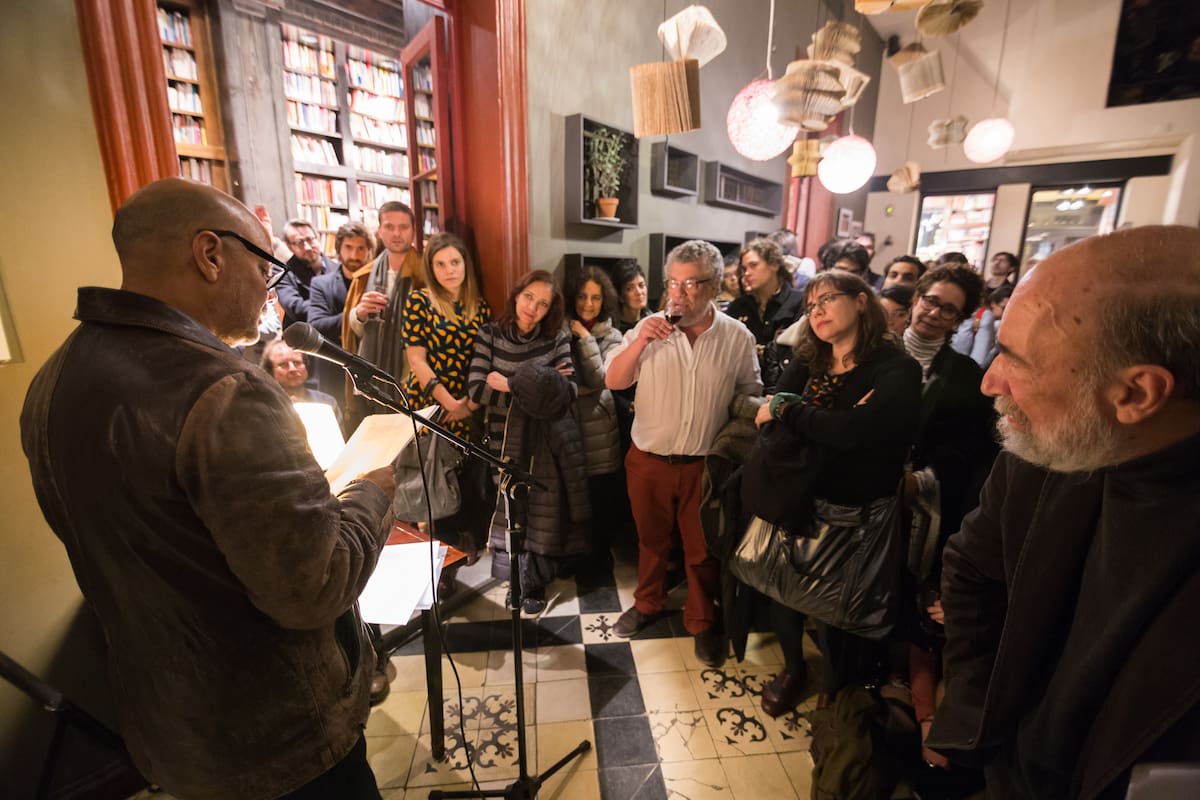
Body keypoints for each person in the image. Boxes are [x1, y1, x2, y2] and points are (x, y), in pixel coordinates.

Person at [20, 178, 395, 800]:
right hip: (279, 734)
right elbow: (315, 585)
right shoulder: (226, 391)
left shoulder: (53, 379)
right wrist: (370, 493)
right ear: (210, 254)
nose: (271, 289)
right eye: (265, 267)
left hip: (171, 724)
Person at [927, 225, 1200, 798]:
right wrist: (975, 708)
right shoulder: (1049, 442)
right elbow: (971, 569)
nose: (990, 382)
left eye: (1015, 360)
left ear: (1137, 394)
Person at [747, 271, 922, 716]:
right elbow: (770, 416)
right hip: (797, 495)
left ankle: (834, 684)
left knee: (836, 609)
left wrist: (791, 411)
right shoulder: (811, 359)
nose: (817, 311)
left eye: (826, 299)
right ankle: (793, 669)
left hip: (857, 508)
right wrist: (807, 415)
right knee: (782, 590)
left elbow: (854, 432)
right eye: (810, 306)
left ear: (862, 301)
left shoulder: (896, 368)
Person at [605, 240, 762, 667]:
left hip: (704, 466)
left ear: (714, 286)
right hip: (648, 460)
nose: (679, 294)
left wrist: (763, 411)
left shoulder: (736, 337)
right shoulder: (649, 327)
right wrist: (640, 342)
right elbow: (615, 381)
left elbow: (749, 392)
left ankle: (702, 620)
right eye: (673, 283)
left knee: (702, 549)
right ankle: (647, 603)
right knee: (651, 541)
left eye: (691, 284)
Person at [467, 270, 590, 614]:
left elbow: (567, 392)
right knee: (509, 509)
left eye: (543, 304)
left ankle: (533, 580)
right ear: (517, 294)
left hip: (541, 441)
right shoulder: (490, 334)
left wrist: (509, 383)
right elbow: (476, 389)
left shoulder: (556, 338)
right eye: (528, 297)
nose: (533, 308)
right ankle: (514, 580)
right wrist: (540, 386)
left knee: (539, 511)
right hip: (500, 437)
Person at [401, 232, 492, 557]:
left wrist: (470, 404)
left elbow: (487, 360)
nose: (449, 270)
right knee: (437, 478)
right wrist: (449, 402)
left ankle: (468, 546)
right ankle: (444, 559)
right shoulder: (419, 301)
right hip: (431, 403)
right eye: (440, 264)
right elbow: (416, 360)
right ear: (431, 268)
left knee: (468, 478)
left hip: (469, 402)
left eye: (454, 262)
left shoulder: (480, 307)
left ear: (465, 264)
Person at [565, 265, 626, 568]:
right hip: (568, 427)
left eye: (596, 297)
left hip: (600, 427)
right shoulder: (559, 330)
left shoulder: (612, 335)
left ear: (605, 301)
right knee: (573, 497)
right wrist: (578, 388)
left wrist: (586, 338)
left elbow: (600, 378)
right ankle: (577, 556)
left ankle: (600, 560)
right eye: (582, 296)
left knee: (600, 498)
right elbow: (557, 381)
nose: (588, 304)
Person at [343, 201, 424, 417]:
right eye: (389, 226)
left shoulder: (425, 273)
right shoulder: (364, 275)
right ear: (379, 230)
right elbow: (353, 333)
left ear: (413, 231)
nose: (397, 233)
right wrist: (360, 313)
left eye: (403, 227)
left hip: (411, 377)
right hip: (370, 374)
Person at [307, 221, 374, 402]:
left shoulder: (375, 283)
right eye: (348, 247)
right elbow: (317, 325)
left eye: (361, 248)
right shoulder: (321, 284)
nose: (354, 255)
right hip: (334, 369)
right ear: (338, 249)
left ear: (369, 251)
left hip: (371, 365)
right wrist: (356, 315)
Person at [726, 237, 808, 358]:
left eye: (753, 265)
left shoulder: (798, 302)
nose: (747, 273)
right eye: (744, 269)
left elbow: (800, 351)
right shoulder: (738, 306)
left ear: (774, 265)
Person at [261, 336, 344, 430]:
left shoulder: (327, 402)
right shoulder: (263, 407)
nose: (292, 369)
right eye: (283, 365)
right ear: (270, 372)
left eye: (297, 363)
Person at [278, 218, 336, 328]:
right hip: (303, 334)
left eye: (310, 239)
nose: (307, 247)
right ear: (290, 247)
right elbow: (296, 309)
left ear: (318, 238)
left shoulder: (337, 268)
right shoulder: (283, 272)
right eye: (299, 243)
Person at [613, 259, 650, 334]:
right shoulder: (610, 328)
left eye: (641, 285)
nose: (639, 292)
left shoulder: (652, 320)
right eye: (630, 288)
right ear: (620, 296)